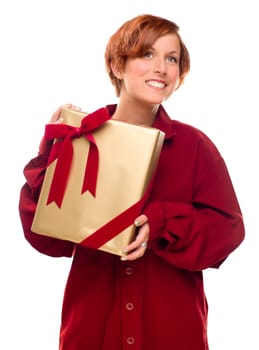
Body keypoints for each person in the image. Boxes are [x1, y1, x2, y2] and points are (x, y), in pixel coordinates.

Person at [18, 14, 245, 350]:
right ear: (118, 66)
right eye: (147, 54)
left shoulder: (195, 147)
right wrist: (50, 152)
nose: (161, 68)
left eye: (172, 59)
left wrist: (161, 222)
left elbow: (228, 230)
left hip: (171, 334)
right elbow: (47, 238)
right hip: (92, 332)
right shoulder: (81, 140)